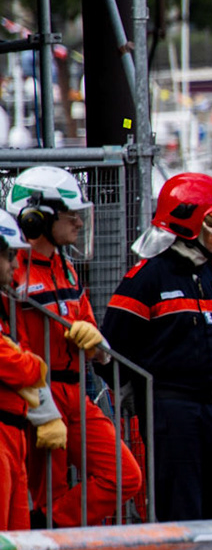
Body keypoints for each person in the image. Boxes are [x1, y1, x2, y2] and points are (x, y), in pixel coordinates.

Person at [101, 173, 212, 522]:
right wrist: (137, 396)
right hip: (173, 410)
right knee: (181, 507)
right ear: (187, 222)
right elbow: (112, 349)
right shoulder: (145, 280)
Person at [7, 165, 143, 526]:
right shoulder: (12, 272)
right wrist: (44, 412)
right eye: (71, 215)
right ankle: (45, 542)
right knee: (44, 489)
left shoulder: (65, 267)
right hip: (37, 396)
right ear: (38, 217)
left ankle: (47, 524)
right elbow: (13, 351)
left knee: (125, 475)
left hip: (75, 394)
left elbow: (96, 342)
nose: (79, 224)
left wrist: (97, 344)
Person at [0, 210, 53, 550]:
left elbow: (25, 360)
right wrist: (31, 364)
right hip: (3, 434)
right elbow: (23, 366)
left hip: (14, 433)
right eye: (7, 257)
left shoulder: (4, 306)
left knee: (17, 543)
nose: (14, 266)